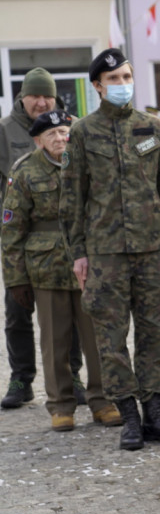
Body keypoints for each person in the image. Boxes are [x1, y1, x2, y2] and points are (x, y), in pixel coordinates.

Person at [59, 48, 160, 451]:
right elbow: (71, 197)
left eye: (126, 78)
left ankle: (154, 413)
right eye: (113, 80)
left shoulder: (151, 126)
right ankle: (128, 415)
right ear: (97, 86)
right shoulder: (82, 132)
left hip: (151, 250)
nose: (121, 85)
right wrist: (78, 253)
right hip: (104, 253)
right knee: (111, 338)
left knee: (152, 332)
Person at [1, 111, 118, 431]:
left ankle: (103, 400)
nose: (60, 138)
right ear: (37, 140)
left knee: (98, 339)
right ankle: (61, 405)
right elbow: (11, 229)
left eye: (65, 131)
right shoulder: (25, 170)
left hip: (91, 266)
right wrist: (15, 278)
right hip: (46, 268)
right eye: (51, 134)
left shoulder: (88, 164)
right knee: (55, 341)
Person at [0, 67, 84, 408]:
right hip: (20, 235)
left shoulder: (74, 126)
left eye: (46, 95)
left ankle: (72, 375)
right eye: (34, 95)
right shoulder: (5, 131)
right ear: (22, 97)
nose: (41, 101)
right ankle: (22, 378)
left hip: (66, 240)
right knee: (17, 310)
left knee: (71, 311)